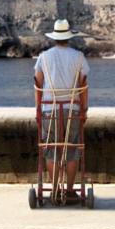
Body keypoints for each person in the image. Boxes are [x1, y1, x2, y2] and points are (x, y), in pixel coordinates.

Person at [34, 19, 89, 202]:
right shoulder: (79, 56)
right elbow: (83, 86)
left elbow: (38, 85)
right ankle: (71, 190)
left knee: (51, 149)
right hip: (72, 109)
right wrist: (84, 109)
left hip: (49, 109)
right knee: (72, 148)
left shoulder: (44, 57)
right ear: (69, 37)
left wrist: (38, 111)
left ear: (54, 37)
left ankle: (56, 189)